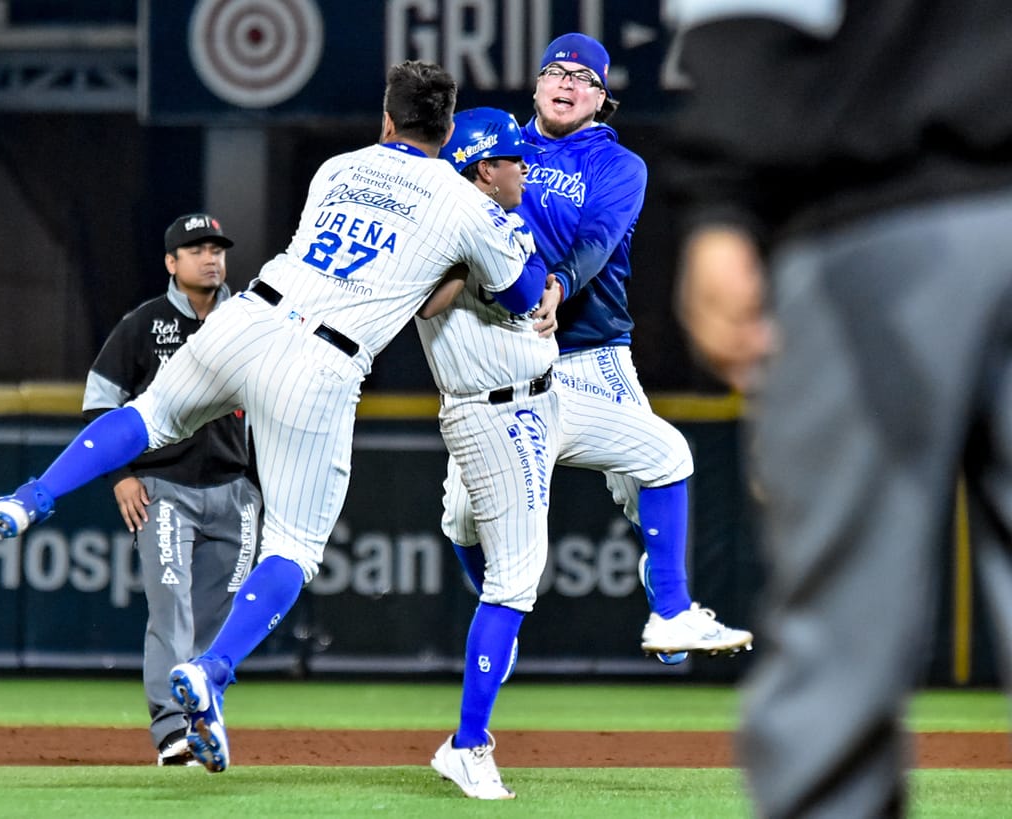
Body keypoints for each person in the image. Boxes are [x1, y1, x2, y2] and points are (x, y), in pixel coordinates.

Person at [0, 60, 546, 777]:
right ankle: (211, 669)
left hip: (252, 316)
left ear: (386, 120)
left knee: (148, 415)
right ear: (449, 128)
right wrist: (471, 259)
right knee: (294, 545)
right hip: (323, 361)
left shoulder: (338, 167)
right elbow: (519, 297)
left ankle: (29, 499)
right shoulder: (465, 203)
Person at [664, 1, 1012, 816]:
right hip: (877, 213)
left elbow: (750, 9)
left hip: (874, 211)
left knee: (837, 649)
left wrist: (723, 202)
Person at [441, 32, 752, 663]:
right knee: (462, 518)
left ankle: (670, 606)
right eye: (555, 71)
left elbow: (598, 239)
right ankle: (497, 614)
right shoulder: (494, 149)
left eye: (584, 79)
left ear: (601, 100)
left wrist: (555, 285)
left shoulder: (617, 165)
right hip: (501, 353)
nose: (567, 83)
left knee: (655, 475)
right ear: (534, 86)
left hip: (589, 350)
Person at [416, 107, 561, 800]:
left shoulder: (494, 220)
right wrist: (506, 259)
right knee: (516, 578)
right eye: (511, 158)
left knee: (464, 525)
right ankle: (469, 743)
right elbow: (519, 291)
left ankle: (490, 647)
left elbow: (541, 288)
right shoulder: (458, 225)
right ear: (482, 169)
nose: (523, 166)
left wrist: (547, 276)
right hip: (499, 408)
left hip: (534, 391)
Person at [81, 213, 261, 766]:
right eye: (197, 248)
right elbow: (99, 403)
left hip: (235, 493)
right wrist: (121, 476)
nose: (211, 257)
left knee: (217, 618)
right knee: (171, 611)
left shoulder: (250, 321)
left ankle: (203, 721)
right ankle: (171, 734)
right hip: (163, 490)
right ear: (171, 262)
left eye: (217, 248)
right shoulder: (144, 324)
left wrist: (259, 488)